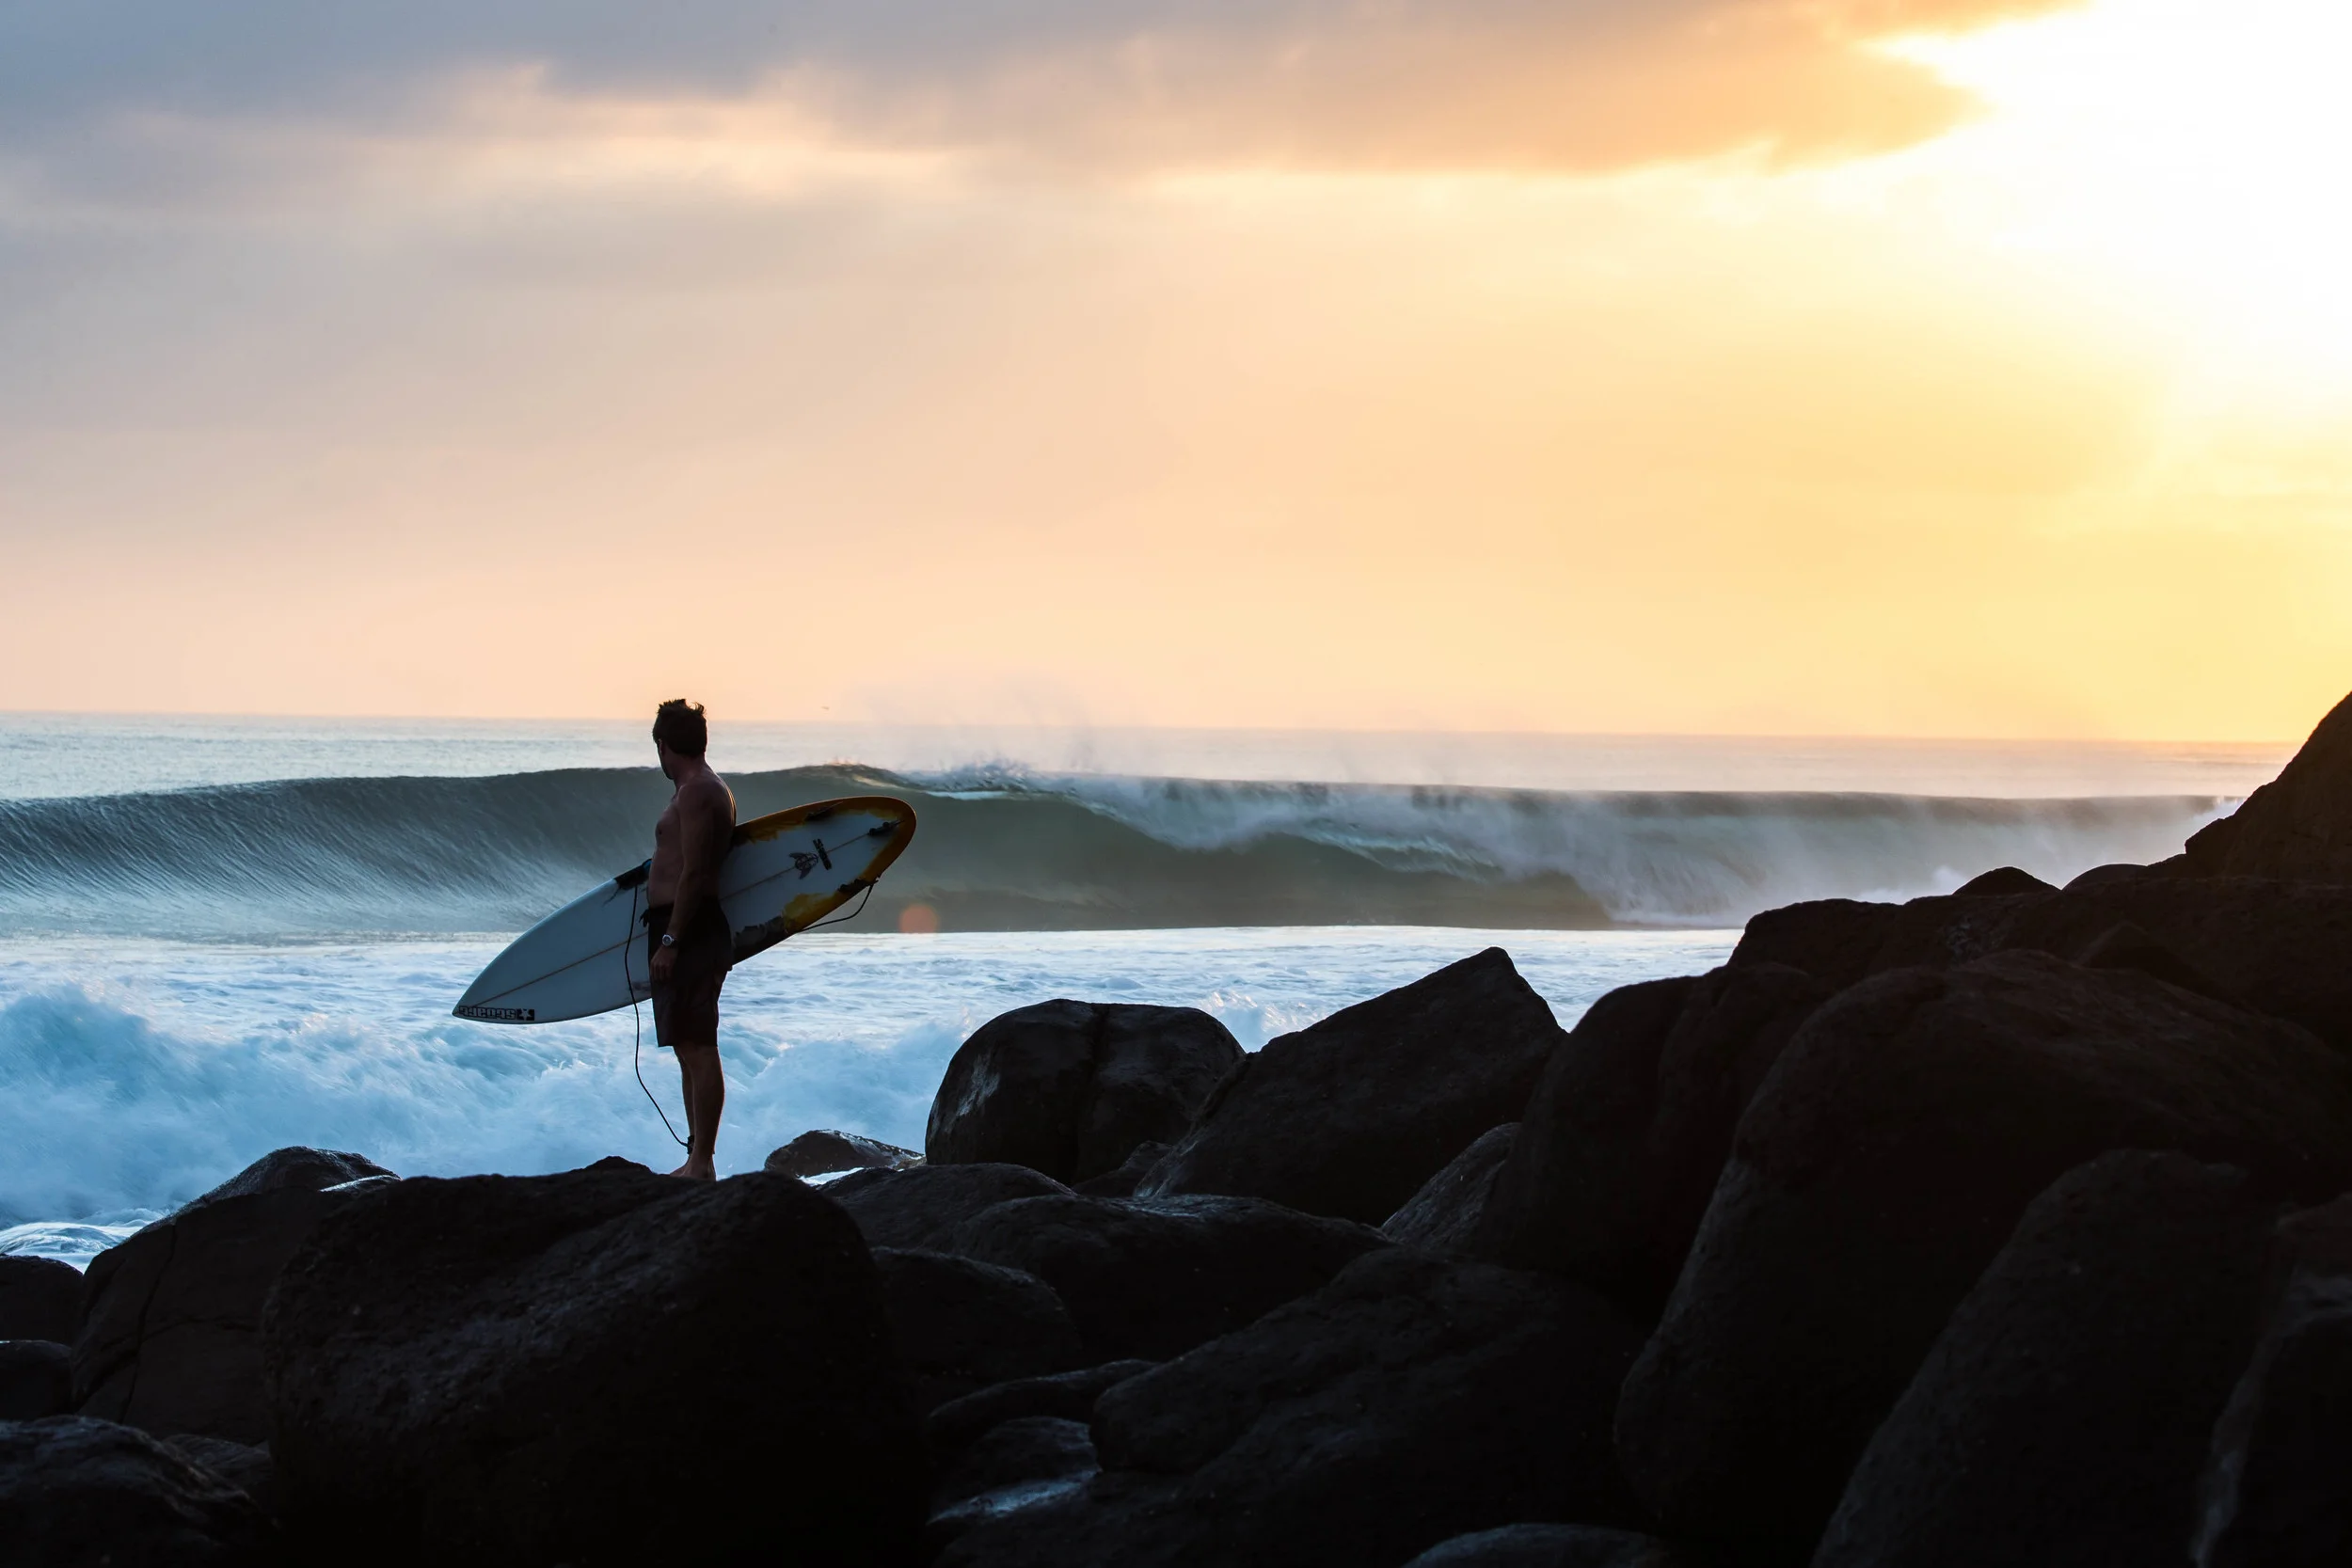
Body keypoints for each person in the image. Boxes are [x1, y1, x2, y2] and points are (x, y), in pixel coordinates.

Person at [645, 698, 738, 1179]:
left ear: (665, 745)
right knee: (687, 1047)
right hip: (683, 927)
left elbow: (698, 872)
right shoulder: (695, 789)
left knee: (699, 1047)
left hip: (691, 930)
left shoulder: (700, 791)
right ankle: (694, 1157)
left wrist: (672, 939)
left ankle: (702, 1162)